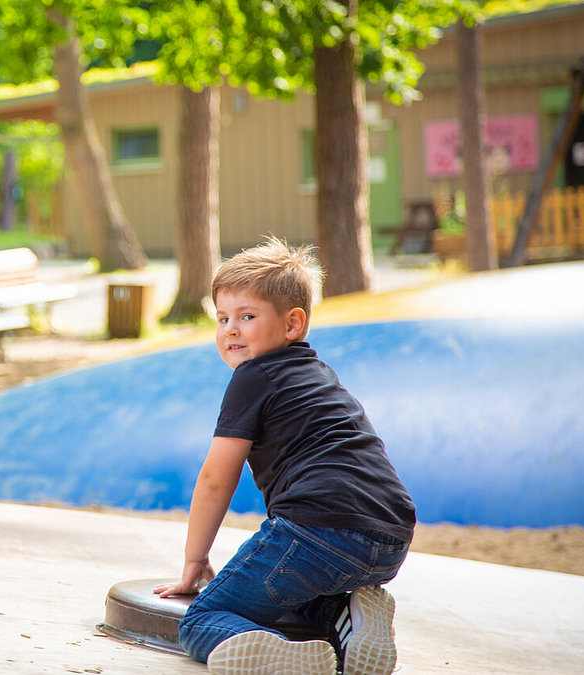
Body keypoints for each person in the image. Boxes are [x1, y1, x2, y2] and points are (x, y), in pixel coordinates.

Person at [154, 238, 415, 675]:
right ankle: (350, 615)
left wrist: (194, 561)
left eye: (247, 316)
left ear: (293, 323)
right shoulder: (319, 375)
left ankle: (282, 657)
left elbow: (216, 478)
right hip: (390, 536)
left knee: (201, 620)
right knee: (301, 587)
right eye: (222, 318)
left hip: (318, 527)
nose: (230, 330)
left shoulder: (253, 376)